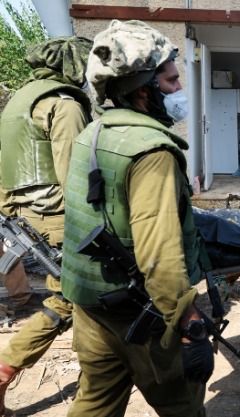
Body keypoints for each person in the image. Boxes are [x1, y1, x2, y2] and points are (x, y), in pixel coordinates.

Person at [60, 20, 212, 416]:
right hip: (139, 313)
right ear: (145, 90)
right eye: (172, 80)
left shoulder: (93, 133)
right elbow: (159, 257)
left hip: (92, 306)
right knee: (183, 404)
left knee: (95, 404)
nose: (179, 89)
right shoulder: (152, 152)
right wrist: (189, 322)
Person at [0, 36, 93, 414]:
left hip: (28, 219)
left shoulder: (20, 100)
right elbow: (77, 178)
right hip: (61, 219)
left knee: (74, 300)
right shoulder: (64, 105)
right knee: (77, 301)